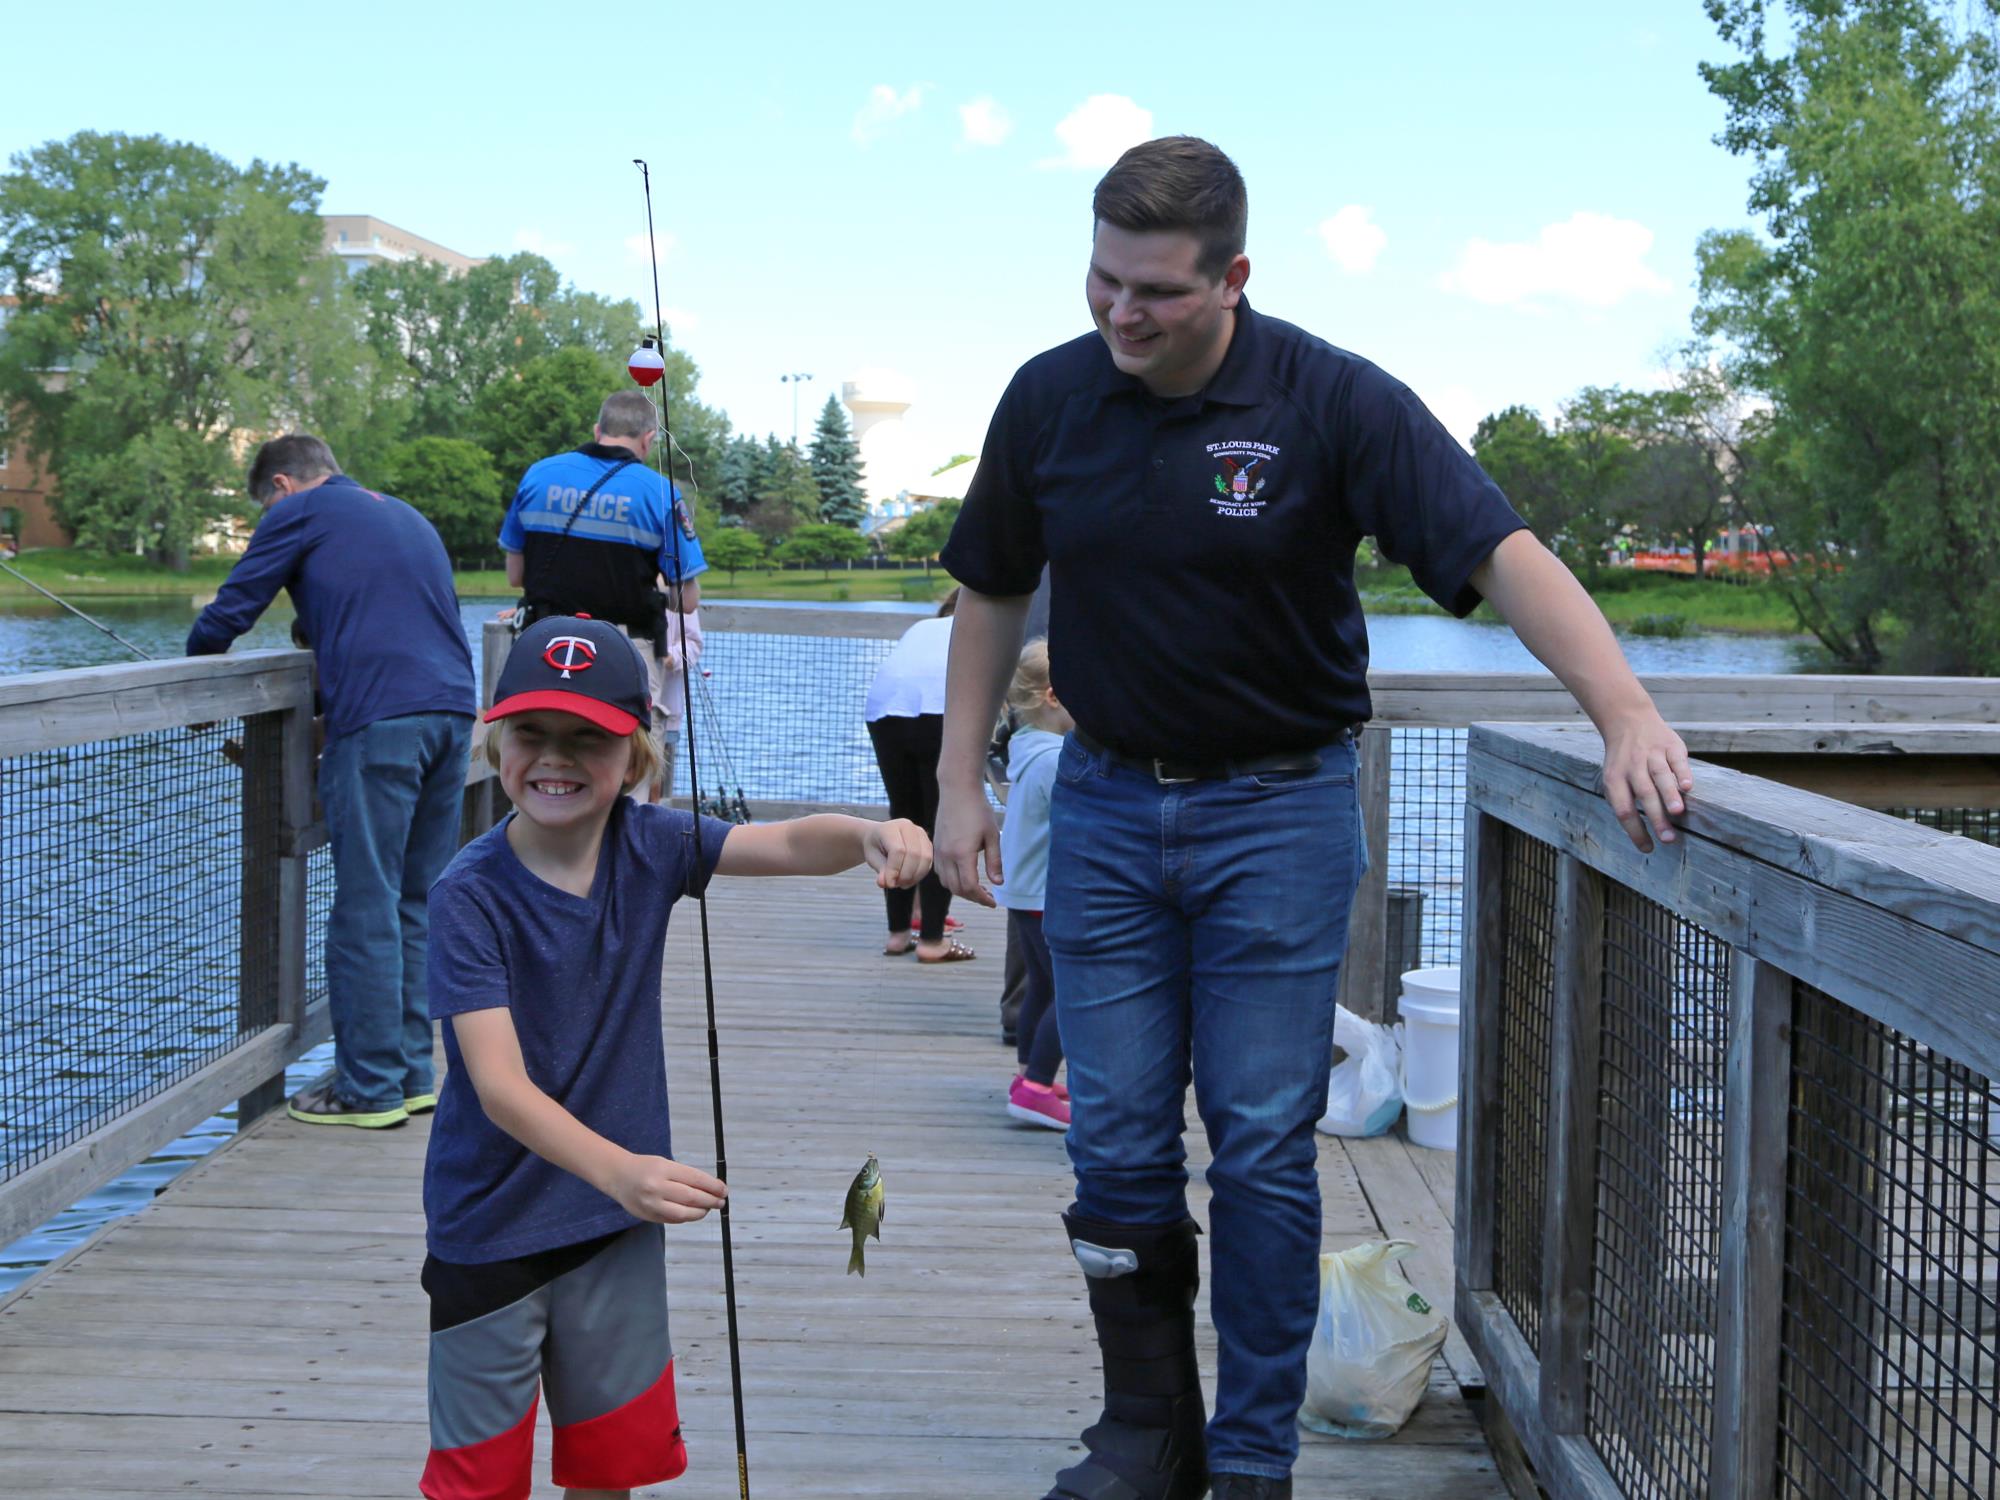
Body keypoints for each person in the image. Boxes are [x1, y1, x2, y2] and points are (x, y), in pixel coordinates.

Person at [932, 136, 1695, 1500]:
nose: (1121, 312)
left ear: (1233, 276)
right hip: (1102, 805)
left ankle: (1248, 1457)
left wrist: (1625, 712)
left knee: (1265, 1140)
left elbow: (1498, 550)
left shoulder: (1329, 399)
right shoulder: (1048, 400)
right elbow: (991, 585)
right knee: (1110, 1138)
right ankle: (1142, 1434)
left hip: (1277, 815)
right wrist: (952, 786)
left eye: (1155, 291)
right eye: (1103, 279)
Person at [419, 614, 929, 1499]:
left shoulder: (653, 843)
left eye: (590, 739)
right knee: (479, 1484)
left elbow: (786, 843)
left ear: (639, 758)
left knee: (610, 1468)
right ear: (494, 744)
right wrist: (622, 1173)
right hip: (491, 1228)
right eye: (532, 735)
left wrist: (868, 835)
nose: (557, 758)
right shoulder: (469, 896)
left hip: (613, 1230)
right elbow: (498, 1087)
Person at [188, 434, 476, 1130]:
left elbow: (233, 609)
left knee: (365, 904)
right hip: (454, 714)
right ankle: (411, 1076)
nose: (267, 517)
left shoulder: (299, 514)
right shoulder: (404, 514)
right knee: (412, 901)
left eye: (265, 505)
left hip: (381, 721)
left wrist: (198, 677)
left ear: (283, 486)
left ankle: (366, 1088)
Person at [499, 390, 706, 800]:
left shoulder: (539, 475)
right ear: (648, 439)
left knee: (544, 760)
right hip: (625, 651)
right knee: (627, 770)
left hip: (545, 646)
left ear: (598, 430)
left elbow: (515, 575)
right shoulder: (659, 492)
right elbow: (687, 601)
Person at [864, 587, 972, 962]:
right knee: (941, 820)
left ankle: (898, 933)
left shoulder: (923, 627)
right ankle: (931, 940)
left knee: (904, 818)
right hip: (937, 707)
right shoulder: (981, 627)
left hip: (884, 708)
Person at [997, 640, 1072, 1129]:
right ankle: (1036, 1086)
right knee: (1072, 992)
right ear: (1053, 695)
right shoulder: (1055, 762)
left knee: (1043, 987)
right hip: (1048, 893)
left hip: (1026, 892)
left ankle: (1029, 1073)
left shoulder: (1028, 749)